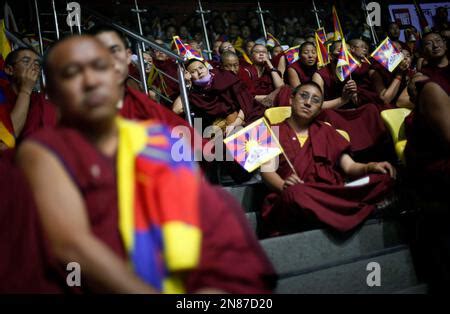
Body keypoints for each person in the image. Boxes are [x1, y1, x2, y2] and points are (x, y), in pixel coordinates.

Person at [17, 35, 276, 293]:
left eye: (99, 67)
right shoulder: (45, 153)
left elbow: (204, 211)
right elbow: (71, 245)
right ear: (54, 90)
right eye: (71, 72)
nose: (90, 80)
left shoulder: (155, 140)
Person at [261, 82, 395, 236]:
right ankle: (355, 211)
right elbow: (267, 172)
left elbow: (349, 167)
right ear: (291, 99)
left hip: (331, 191)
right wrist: (284, 185)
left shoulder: (326, 129)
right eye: (303, 96)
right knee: (295, 193)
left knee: (383, 178)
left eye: (316, 100)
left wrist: (370, 167)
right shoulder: (270, 130)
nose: (308, 102)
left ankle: (324, 214)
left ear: (319, 109)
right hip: (295, 195)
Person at [312, 41, 389, 158]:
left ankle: (377, 151)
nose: (344, 54)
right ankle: (346, 155)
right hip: (334, 111)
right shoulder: (320, 75)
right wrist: (342, 100)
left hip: (352, 110)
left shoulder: (353, 72)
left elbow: (358, 100)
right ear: (331, 56)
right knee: (328, 115)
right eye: (340, 51)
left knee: (371, 109)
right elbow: (317, 105)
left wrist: (354, 94)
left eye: (347, 51)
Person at [173, 58, 265, 134]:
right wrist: (186, 84)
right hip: (221, 128)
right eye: (193, 72)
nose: (199, 72)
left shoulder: (224, 78)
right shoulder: (195, 93)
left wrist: (236, 123)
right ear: (189, 76)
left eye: (201, 68)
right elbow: (176, 110)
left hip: (244, 117)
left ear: (207, 68)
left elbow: (246, 102)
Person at [0, 48, 57, 142]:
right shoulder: (2, 95)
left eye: (37, 64)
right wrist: (25, 90)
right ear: (9, 70)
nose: (33, 67)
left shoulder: (40, 101)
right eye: (26, 61)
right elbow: (7, 138)